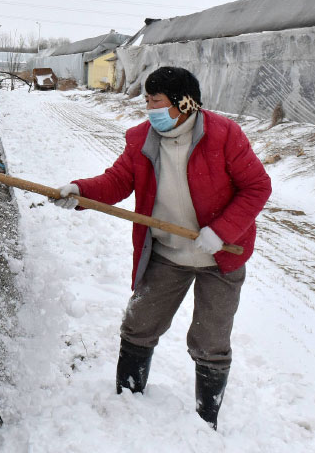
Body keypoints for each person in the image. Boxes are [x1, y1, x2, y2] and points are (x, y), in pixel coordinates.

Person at [52, 66, 270, 429]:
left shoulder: (224, 135)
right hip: (168, 253)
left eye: (157, 102)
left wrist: (222, 231)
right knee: (139, 324)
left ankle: (206, 422)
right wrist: (81, 192)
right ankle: (128, 399)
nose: (150, 110)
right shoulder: (143, 139)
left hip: (220, 257)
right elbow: (118, 179)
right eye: (147, 102)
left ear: (186, 104)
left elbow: (257, 187)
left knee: (210, 341)